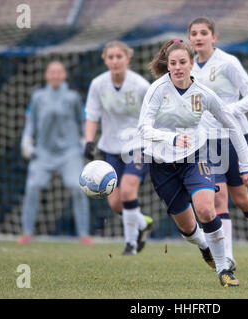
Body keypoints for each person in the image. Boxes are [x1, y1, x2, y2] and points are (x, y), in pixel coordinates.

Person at [139, 39, 248, 287]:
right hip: (161, 165)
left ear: (192, 63)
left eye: (183, 62)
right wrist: (171, 138)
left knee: (206, 209)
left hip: (195, 157)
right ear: (167, 65)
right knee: (189, 229)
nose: (178, 67)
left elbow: (232, 127)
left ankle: (224, 269)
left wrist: (246, 164)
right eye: (173, 63)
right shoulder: (157, 89)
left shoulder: (204, 93)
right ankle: (204, 246)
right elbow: (143, 129)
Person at [188, 17, 248, 269]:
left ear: (214, 37)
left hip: (233, 137)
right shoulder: (189, 66)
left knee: (241, 197)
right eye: (194, 33)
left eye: (204, 32)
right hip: (206, 141)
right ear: (190, 38)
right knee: (218, 198)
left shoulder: (228, 62)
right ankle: (227, 258)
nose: (199, 37)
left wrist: (228, 110)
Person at [84, 41, 153, 255]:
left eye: (119, 57)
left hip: (138, 146)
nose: (115, 61)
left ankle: (131, 245)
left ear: (128, 59)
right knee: (115, 203)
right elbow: (92, 116)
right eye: (110, 57)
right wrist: (89, 141)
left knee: (127, 190)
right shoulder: (97, 84)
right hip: (111, 147)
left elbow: (154, 116)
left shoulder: (141, 85)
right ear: (105, 60)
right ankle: (141, 223)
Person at [18, 61, 93, 245]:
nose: (55, 75)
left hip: (70, 152)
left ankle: (84, 234)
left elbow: (83, 119)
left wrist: (86, 139)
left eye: (59, 72)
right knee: (32, 187)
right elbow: (31, 123)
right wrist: (26, 140)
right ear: (46, 75)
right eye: (52, 72)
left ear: (64, 75)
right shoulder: (38, 97)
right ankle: (27, 233)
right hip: (43, 153)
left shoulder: (73, 97)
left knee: (78, 187)